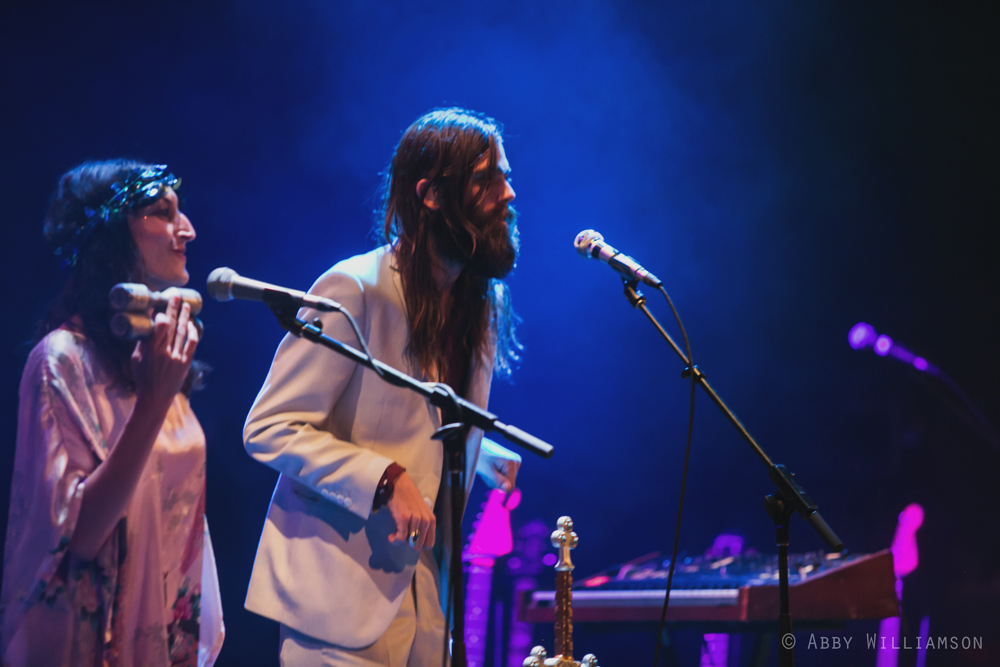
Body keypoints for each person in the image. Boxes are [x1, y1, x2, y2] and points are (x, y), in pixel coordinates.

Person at [243, 108, 524, 665]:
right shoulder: (356, 289)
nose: (508, 194)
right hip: (336, 602)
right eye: (486, 179)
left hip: (426, 602)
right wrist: (384, 479)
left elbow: (406, 415)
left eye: (505, 177)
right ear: (431, 195)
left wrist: (476, 452)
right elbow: (270, 427)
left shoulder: (478, 305)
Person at [0, 160, 224, 666]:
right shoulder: (62, 360)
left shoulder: (154, 358)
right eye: (162, 212)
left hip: (164, 633)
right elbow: (77, 538)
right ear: (113, 234)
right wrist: (153, 403)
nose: (187, 229)